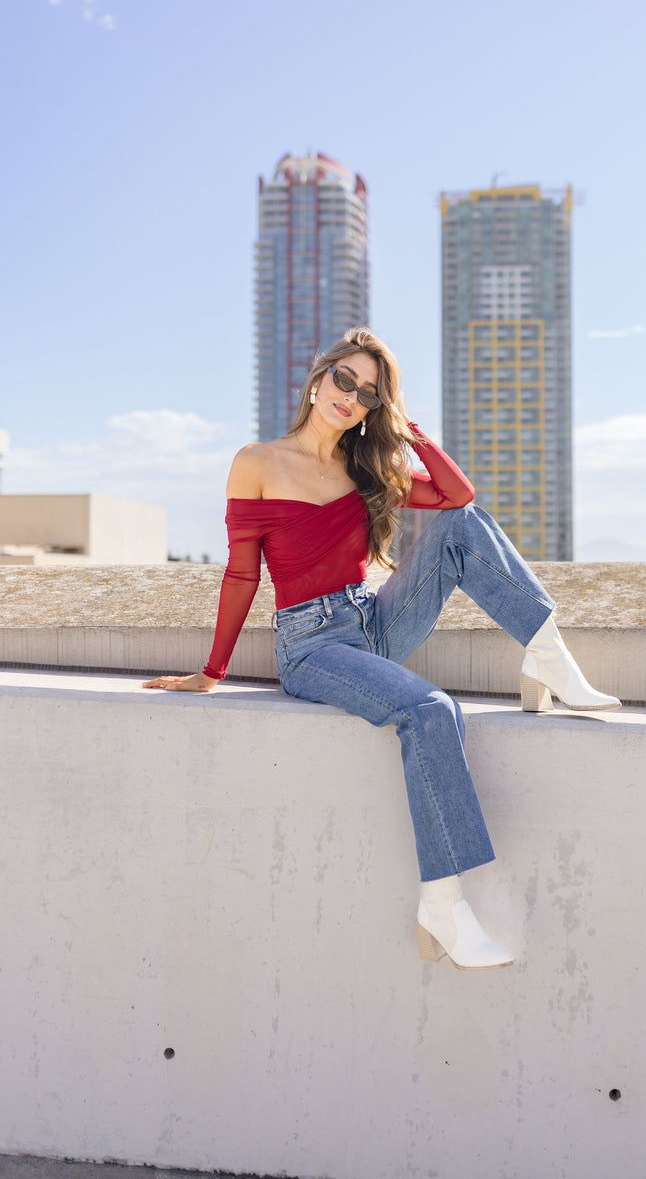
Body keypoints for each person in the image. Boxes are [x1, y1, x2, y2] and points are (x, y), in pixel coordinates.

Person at [143, 327, 619, 970]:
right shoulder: (257, 461)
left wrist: (410, 430)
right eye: (344, 380)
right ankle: (443, 909)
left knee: (462, 527)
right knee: (431, 710)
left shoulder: (367, 469)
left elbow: (458, 498)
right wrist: (212, 671)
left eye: (368, 393)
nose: (351, 397)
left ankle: (547, 653)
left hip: (372, 620)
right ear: (318, 379)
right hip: (311, 645)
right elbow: (241, 575)